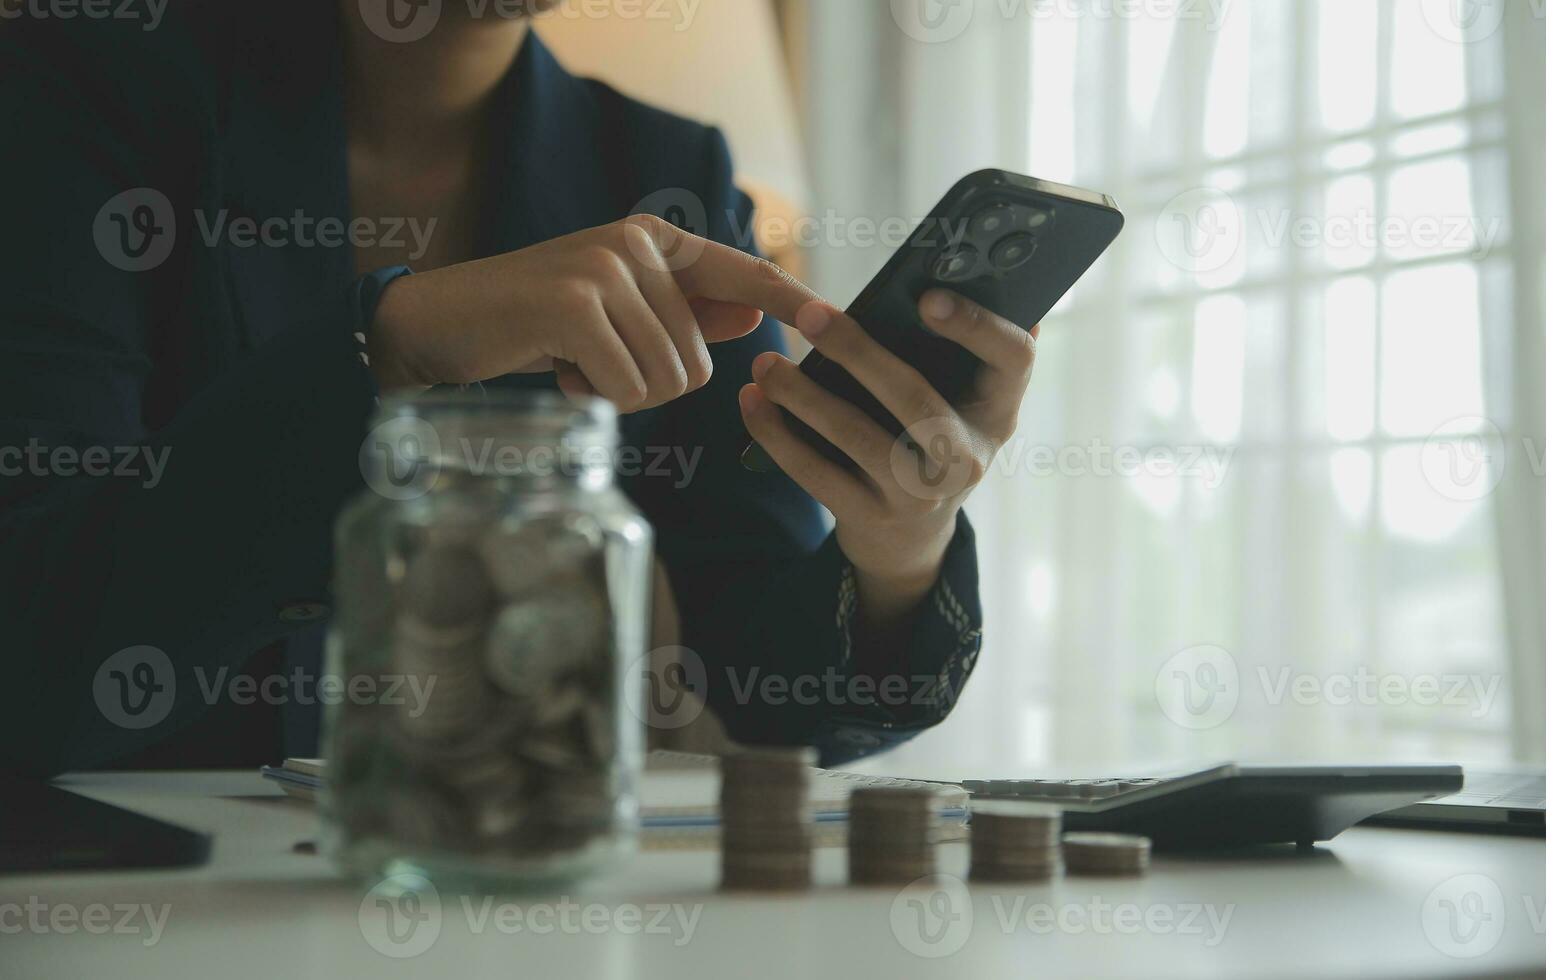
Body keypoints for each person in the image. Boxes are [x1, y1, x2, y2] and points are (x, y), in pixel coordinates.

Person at [0, 1, 1037, 776]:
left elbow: (755, 682)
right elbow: (34, 627)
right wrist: (391, 346)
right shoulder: (67, 87)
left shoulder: (661, 164)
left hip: (510, 892)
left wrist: (898, 549)